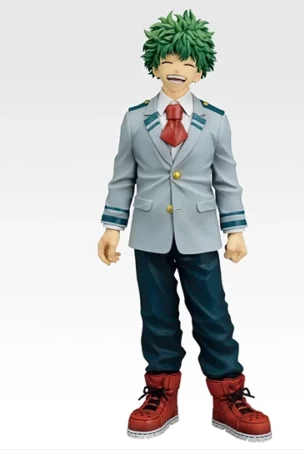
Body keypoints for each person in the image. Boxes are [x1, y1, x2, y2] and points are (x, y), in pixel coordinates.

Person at [97, 9, 272, 443]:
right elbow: (123, 177)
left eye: (188, 62)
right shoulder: (135, 119)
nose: (177, 69)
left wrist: (235, 230)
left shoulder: (215, 120)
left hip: (199, 232)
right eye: (169, 60)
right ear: (154, 64)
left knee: (213, 315)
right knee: (156, 315)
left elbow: (226, 179)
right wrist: (112, 226)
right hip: (149, 232)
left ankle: (228, 395)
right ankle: (161, 393)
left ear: (201, 70)